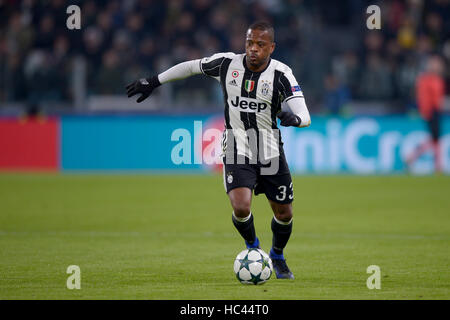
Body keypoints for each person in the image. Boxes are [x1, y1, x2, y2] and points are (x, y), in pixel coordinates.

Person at [126, 21, 311, 279]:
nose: (253, 49)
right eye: (249, 43)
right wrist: (155, 81)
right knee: (241, 206)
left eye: (260, 44)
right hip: (236, 146)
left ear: (271, 47)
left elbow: (304, 114)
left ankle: (278, 256)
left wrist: (296, 120)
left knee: (284, 212)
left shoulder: (281, 74)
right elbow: (191, 67)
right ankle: (253, 248)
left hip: (269, 150)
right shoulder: (226, 64)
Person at [406, 55, 445, 173]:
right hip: (431, 112)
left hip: (436, 111)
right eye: (434, 64)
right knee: (435, 139)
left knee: (435, 139)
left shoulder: (437, 79)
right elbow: (423, 98)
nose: (437, 66)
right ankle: (414, 157)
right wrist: (425, 111)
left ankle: (415, 157)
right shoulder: (426, 80)